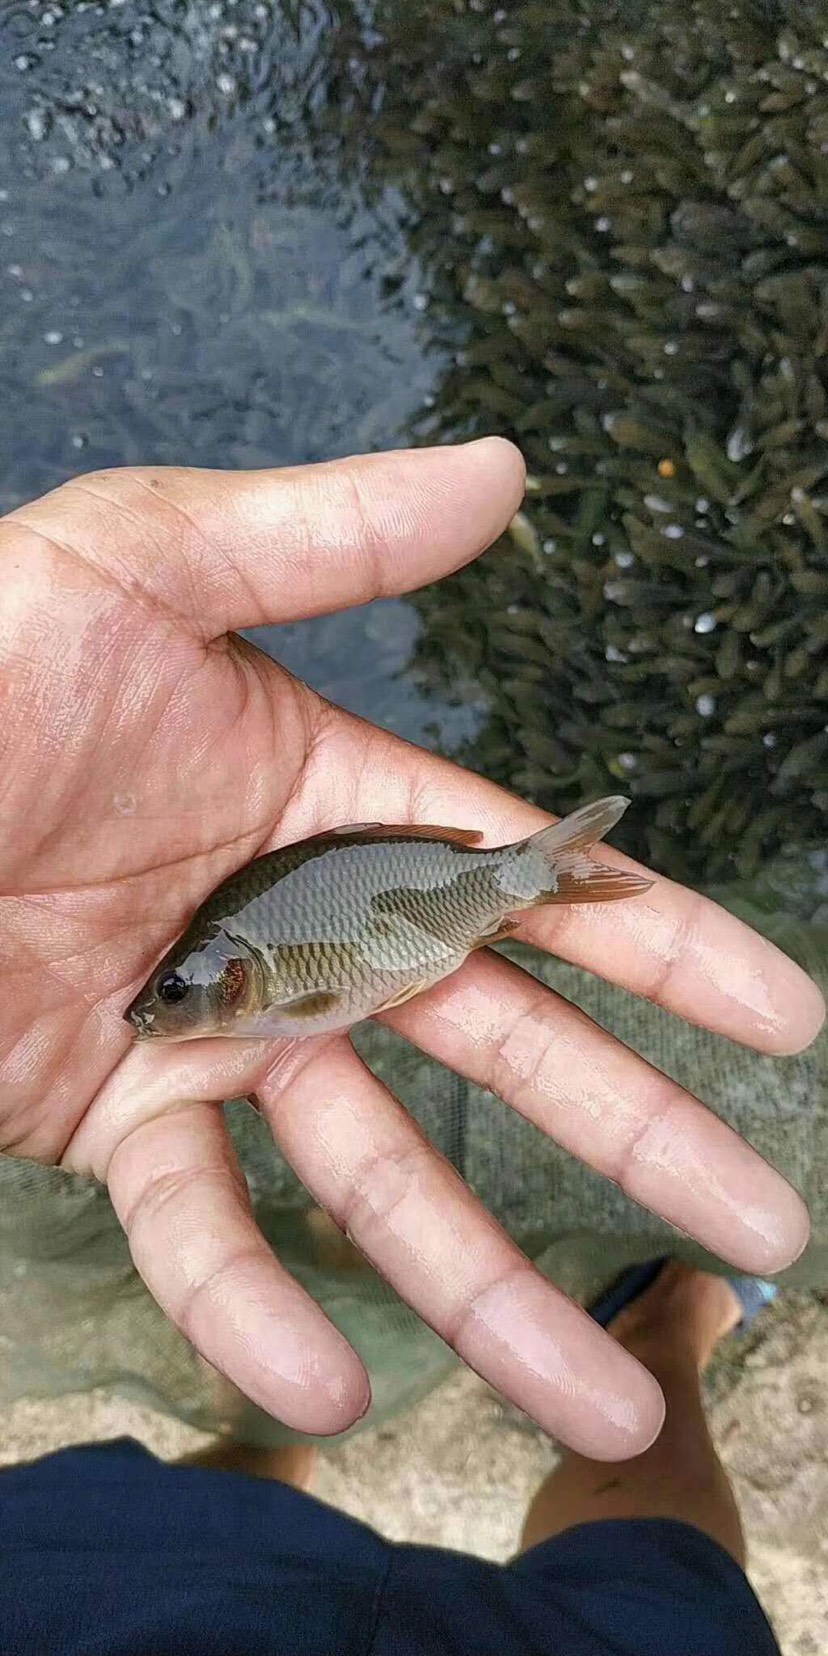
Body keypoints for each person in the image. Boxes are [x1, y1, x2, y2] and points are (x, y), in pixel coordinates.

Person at [0, 442, 823, 1653]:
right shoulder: (238, 967)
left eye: (173, 998)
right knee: (648, 1603)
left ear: (227, 977)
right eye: (172, 1001)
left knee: (156, 1531)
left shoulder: (251, 964)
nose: (153, 1013)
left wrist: (495, 884)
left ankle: (272, 1446)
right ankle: (649, 1330)